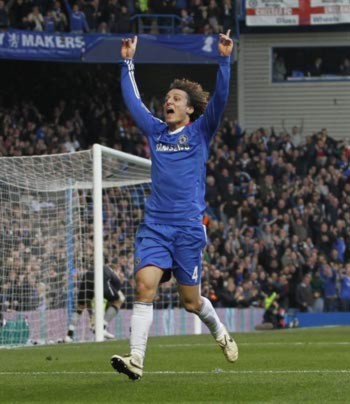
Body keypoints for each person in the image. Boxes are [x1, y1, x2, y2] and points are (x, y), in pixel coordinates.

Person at [110, 30, 238, 381]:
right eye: (168, 97)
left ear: (190, 109)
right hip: (155, 226)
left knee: (191, 303)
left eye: (177, 98)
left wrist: (223, 60)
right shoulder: (156, 132)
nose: (170, 101)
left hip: (186, 228)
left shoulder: (200, 132)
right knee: (143, 286)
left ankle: (220, 331)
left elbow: (221, 100)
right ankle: (136, 359)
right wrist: (127, 62)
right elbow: (134, 102)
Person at [65, 265, 125, 342]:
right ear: (116, 270)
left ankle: (69, 335)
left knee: (80, 307)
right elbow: (117, 297)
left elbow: (89, 302)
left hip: (87, 276)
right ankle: (102, 328)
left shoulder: (103, 268)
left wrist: (92, 315)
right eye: (119, 271)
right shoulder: (114, 276)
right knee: (119, 300)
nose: (120, 274)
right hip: (101, 277)